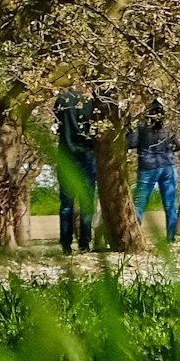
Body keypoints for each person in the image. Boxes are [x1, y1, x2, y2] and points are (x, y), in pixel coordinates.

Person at [128, 97, 180, 242]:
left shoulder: (141, 125)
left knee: (140, 204)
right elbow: (179, 146)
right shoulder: (169, 126)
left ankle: (135, 237)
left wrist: (128, 130)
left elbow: (131, 143)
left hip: (148, 166)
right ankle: (171, 238)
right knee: (170, 205)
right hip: (167, 166)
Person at [54, 87, 99, 253]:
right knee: (87, 202)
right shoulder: (92, 101)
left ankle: (66, 244)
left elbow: (57, 122)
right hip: (86, 154)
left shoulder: (62, 99)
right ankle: (85, 242)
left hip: (66, 154)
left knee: (67, 203)